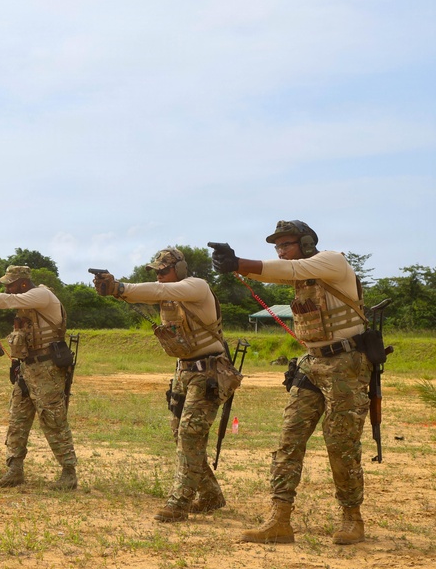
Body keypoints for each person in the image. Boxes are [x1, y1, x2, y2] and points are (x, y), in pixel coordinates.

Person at [210, 221, 371, 545]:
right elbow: (279, 271)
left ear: (308, 243)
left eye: (287, 245)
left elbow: (287, 270)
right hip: (312, 363)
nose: (281, 252)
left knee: (341, 444)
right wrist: (238, 266)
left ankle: (352, 518)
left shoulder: (332, 261)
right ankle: (279, 519)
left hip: (345, 363)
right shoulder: (300, 275)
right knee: (288, 441)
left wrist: (239, 263)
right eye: (277, 247)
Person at [94, 248, 241, 522]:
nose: (160, 277)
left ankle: (179, 502)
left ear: (181, 270)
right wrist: (115, 290)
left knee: (189, 435)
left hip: (208, 372)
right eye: (157, 272)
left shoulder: (196, 286)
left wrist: (119, 286)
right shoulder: (167, 294)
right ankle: (210, 494)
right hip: (184, 372)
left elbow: (158, 292)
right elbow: (150, 292)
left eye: (164, 271)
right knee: (181, 435)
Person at [0, 266, 78, 490]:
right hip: (27, 368)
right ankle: (14, 470)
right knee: (17, 421)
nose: (7, 289)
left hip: (47, 368)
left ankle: (69, 473)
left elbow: (5, 301)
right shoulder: (27, 299)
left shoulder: (41, 295)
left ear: (23, 283)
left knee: (53, 420)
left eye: (10, 284)